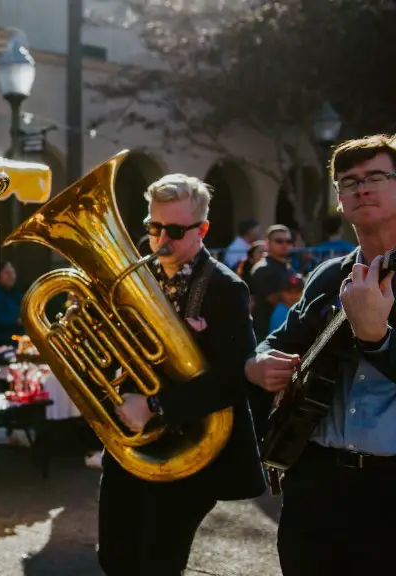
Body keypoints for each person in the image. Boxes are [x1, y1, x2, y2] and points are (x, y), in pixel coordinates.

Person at [98, 174, 266, 576]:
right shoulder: (135, 271)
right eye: (153, 228)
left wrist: (156, 406)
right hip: (131, 444)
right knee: (114, 558)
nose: (160, 240)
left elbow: (236, 376)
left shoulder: (227, 289)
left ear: (202, 229)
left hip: (188, 447)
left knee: (156, 564)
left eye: (173, 229)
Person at [245, 134, 396, 576]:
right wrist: (258, 365)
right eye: (348, 182)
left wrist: (377, 339)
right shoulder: (329, 274)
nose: (361, 188)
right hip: (315, 481)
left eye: (376, 177)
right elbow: (280, 339)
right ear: (339, 200)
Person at [249, 224, 294, 340]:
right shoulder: (262, 269)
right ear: (267, 243)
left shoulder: (288, 268)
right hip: (265, 333)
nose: (284, 245)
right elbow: (273, 299)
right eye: (279, 241)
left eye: (288, 241)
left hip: (285, 330)